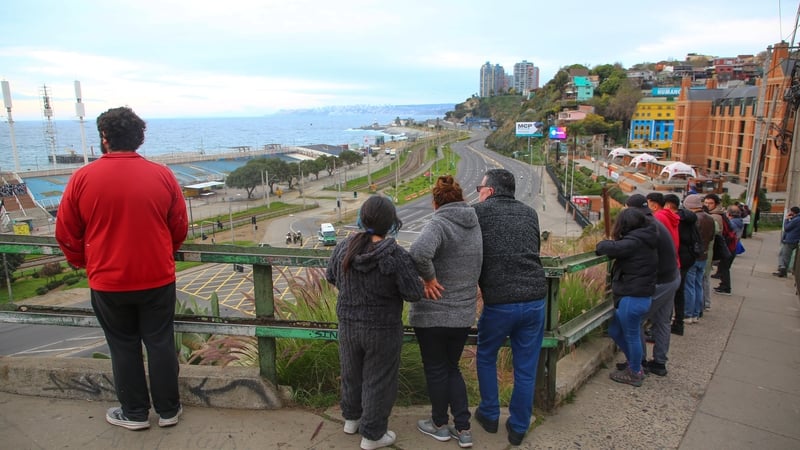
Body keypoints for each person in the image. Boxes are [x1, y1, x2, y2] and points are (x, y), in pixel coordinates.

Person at [55, 106, 188, 431]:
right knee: (160, 342)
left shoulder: (82, 178)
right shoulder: (162, 175)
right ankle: (169, 410)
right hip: (156, 277)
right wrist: (162, 253)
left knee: (123, 346)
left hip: (108, 281)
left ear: (104, 138)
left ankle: (135, 412)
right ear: (139, 138)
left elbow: (66, 232)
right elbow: (179, 226)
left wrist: (83, 262)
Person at [325, 195, 424, 450]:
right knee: (378, 380)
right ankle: (372, 435)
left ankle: (351, 419)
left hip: (348, 324)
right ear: (391, 222)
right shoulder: (395, 255)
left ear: (362, 217)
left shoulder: (344, 247)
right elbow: (413, 292)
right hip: (383, 328)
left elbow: (331, 276)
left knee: (351, 373)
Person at [472, 168, 547, 446]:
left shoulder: (478, 213)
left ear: (489, 191)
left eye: (480, 188)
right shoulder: (530, 213)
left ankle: (490, 414)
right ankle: (518, 427)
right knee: (525, 368)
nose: (478, 192)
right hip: (535, 299)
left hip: (500, 302)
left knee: (486, 356)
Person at [409, 175, 482, 448]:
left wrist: (428, 279)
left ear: (435, 202)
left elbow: (418, 252)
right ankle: (463, 429)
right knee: (452, 368)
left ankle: (439, 424)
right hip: (462, 313)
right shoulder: (474, 223)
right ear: (461, 198)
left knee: (436, 369)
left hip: (433, 313)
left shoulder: (440, 222)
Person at [596, 207, 658, 386]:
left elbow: (606, 247)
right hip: (639, 296)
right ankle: (634, 364)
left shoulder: (635, 241)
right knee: (615, 330)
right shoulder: (647, 238)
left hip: (633, 296)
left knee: (631, 335)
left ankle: (635, 372)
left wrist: (602, 244)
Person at [624, 194, 679, 377]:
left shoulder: (646, 226)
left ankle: (638, 363)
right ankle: (659, 363)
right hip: (672, 276)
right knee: (662, 322)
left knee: (635, 319)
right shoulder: (653, 222)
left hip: (661, 280)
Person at [663, 194, 695, 336]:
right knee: (680, 291)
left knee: (671, 293)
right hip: (689, 257)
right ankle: (679, 322)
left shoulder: (674, 220)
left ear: (668, 205)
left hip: (678, 258)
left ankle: (667, 322)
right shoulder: (688, 218)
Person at [682, 194, 715, 324]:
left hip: (693, 255)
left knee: (689, 285)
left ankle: (688, 313)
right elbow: (712, 237)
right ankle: (696, 313)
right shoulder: (709, 218)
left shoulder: (694, 219)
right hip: (704, 254)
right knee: (698, 284)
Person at [704, 194, 734, 295]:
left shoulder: (715, 216)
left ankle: (725, 287)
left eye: (710, 203)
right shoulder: (720, 213)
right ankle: (724, 286)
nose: (707, 205)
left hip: (720, 247)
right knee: (723, 268)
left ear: (716, 204)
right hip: (727, 246)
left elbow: (716, 233)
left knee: (722, 269)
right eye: (706, 202)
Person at [773, 206, 800, 277]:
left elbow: (787, 228)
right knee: (781, 254)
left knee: (785, 256)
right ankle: (781, 268)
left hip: (790, 240)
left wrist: (786, 220)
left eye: (790, 211)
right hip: (790, 239)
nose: (789, 213)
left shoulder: (796, 220)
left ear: (793, 212)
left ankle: (783, 271)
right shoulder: (796, 219)